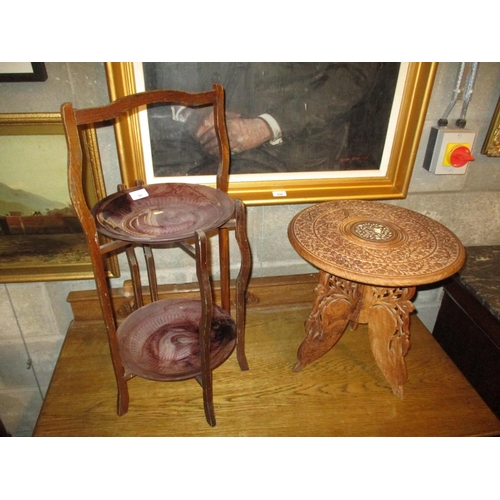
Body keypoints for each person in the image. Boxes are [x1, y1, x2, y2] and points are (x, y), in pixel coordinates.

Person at [143, 62, 399, 176]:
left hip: (293, 147)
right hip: (203, 136)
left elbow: (352, 77)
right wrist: (193, 109)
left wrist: (266, 125)